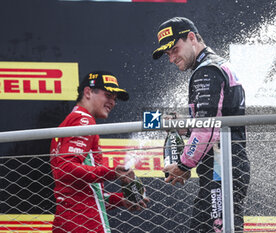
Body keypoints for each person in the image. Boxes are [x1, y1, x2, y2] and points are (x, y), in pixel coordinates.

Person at [152, 17, 250, 232]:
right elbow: (214, 122)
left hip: (222, 168)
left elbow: (208, 129)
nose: (171, 58)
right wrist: (184, 127)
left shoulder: (207, 71)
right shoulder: (217, 64)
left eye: (175, 50)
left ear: (191, 37)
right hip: (223, 166)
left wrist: (183, 165)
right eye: (168, 54)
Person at [50, 71, 149, 233]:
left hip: (71, 220)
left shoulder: (72, 121)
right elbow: (65, 168)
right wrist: (112, 172)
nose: (112, 102)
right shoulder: (83, 120)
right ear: (88, 92)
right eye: (108, 95)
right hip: (85, 224)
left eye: (115, 99)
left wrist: (121, 200)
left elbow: (87, 195)